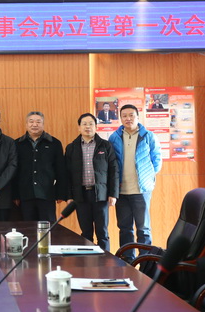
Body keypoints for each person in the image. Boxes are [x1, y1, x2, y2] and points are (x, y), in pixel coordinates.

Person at [109, 104, 162, 262]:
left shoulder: (148, 136)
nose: (128, 118)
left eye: (131, 115)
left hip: (141, 190)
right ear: (120, 118)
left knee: (143, 228)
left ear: (137, 117)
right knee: (124, 228)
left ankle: (145, 262)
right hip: (121, 191)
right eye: (124, 116)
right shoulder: (114, 137)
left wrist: (147, 177)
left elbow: (157, 161)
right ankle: (128, 261)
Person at [65, 113, 119, 251]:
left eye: (91, 124)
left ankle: (104, 260)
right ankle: (87, 260)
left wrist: (113, 194)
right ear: (79, 127)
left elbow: (114, 171)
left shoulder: (106, 146)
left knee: (102, 233)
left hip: (100, 195)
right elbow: (67, 174)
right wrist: (69, 196)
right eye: (84, 124)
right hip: (80, 195)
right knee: (86, 233)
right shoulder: (71, 147)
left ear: (96, 127)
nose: (87, 127)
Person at [14, 111, 67, 221]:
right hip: (25, 195)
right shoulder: (17, 144)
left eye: (38, 122)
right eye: (31, 121)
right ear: (26, 124)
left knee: (47, 227)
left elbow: (61, 170)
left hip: (47, 194)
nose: (34, 124)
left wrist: (60, 193)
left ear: (43, 124)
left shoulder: (54, 143)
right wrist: (15, 195)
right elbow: (14, 171)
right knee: (27, 228)